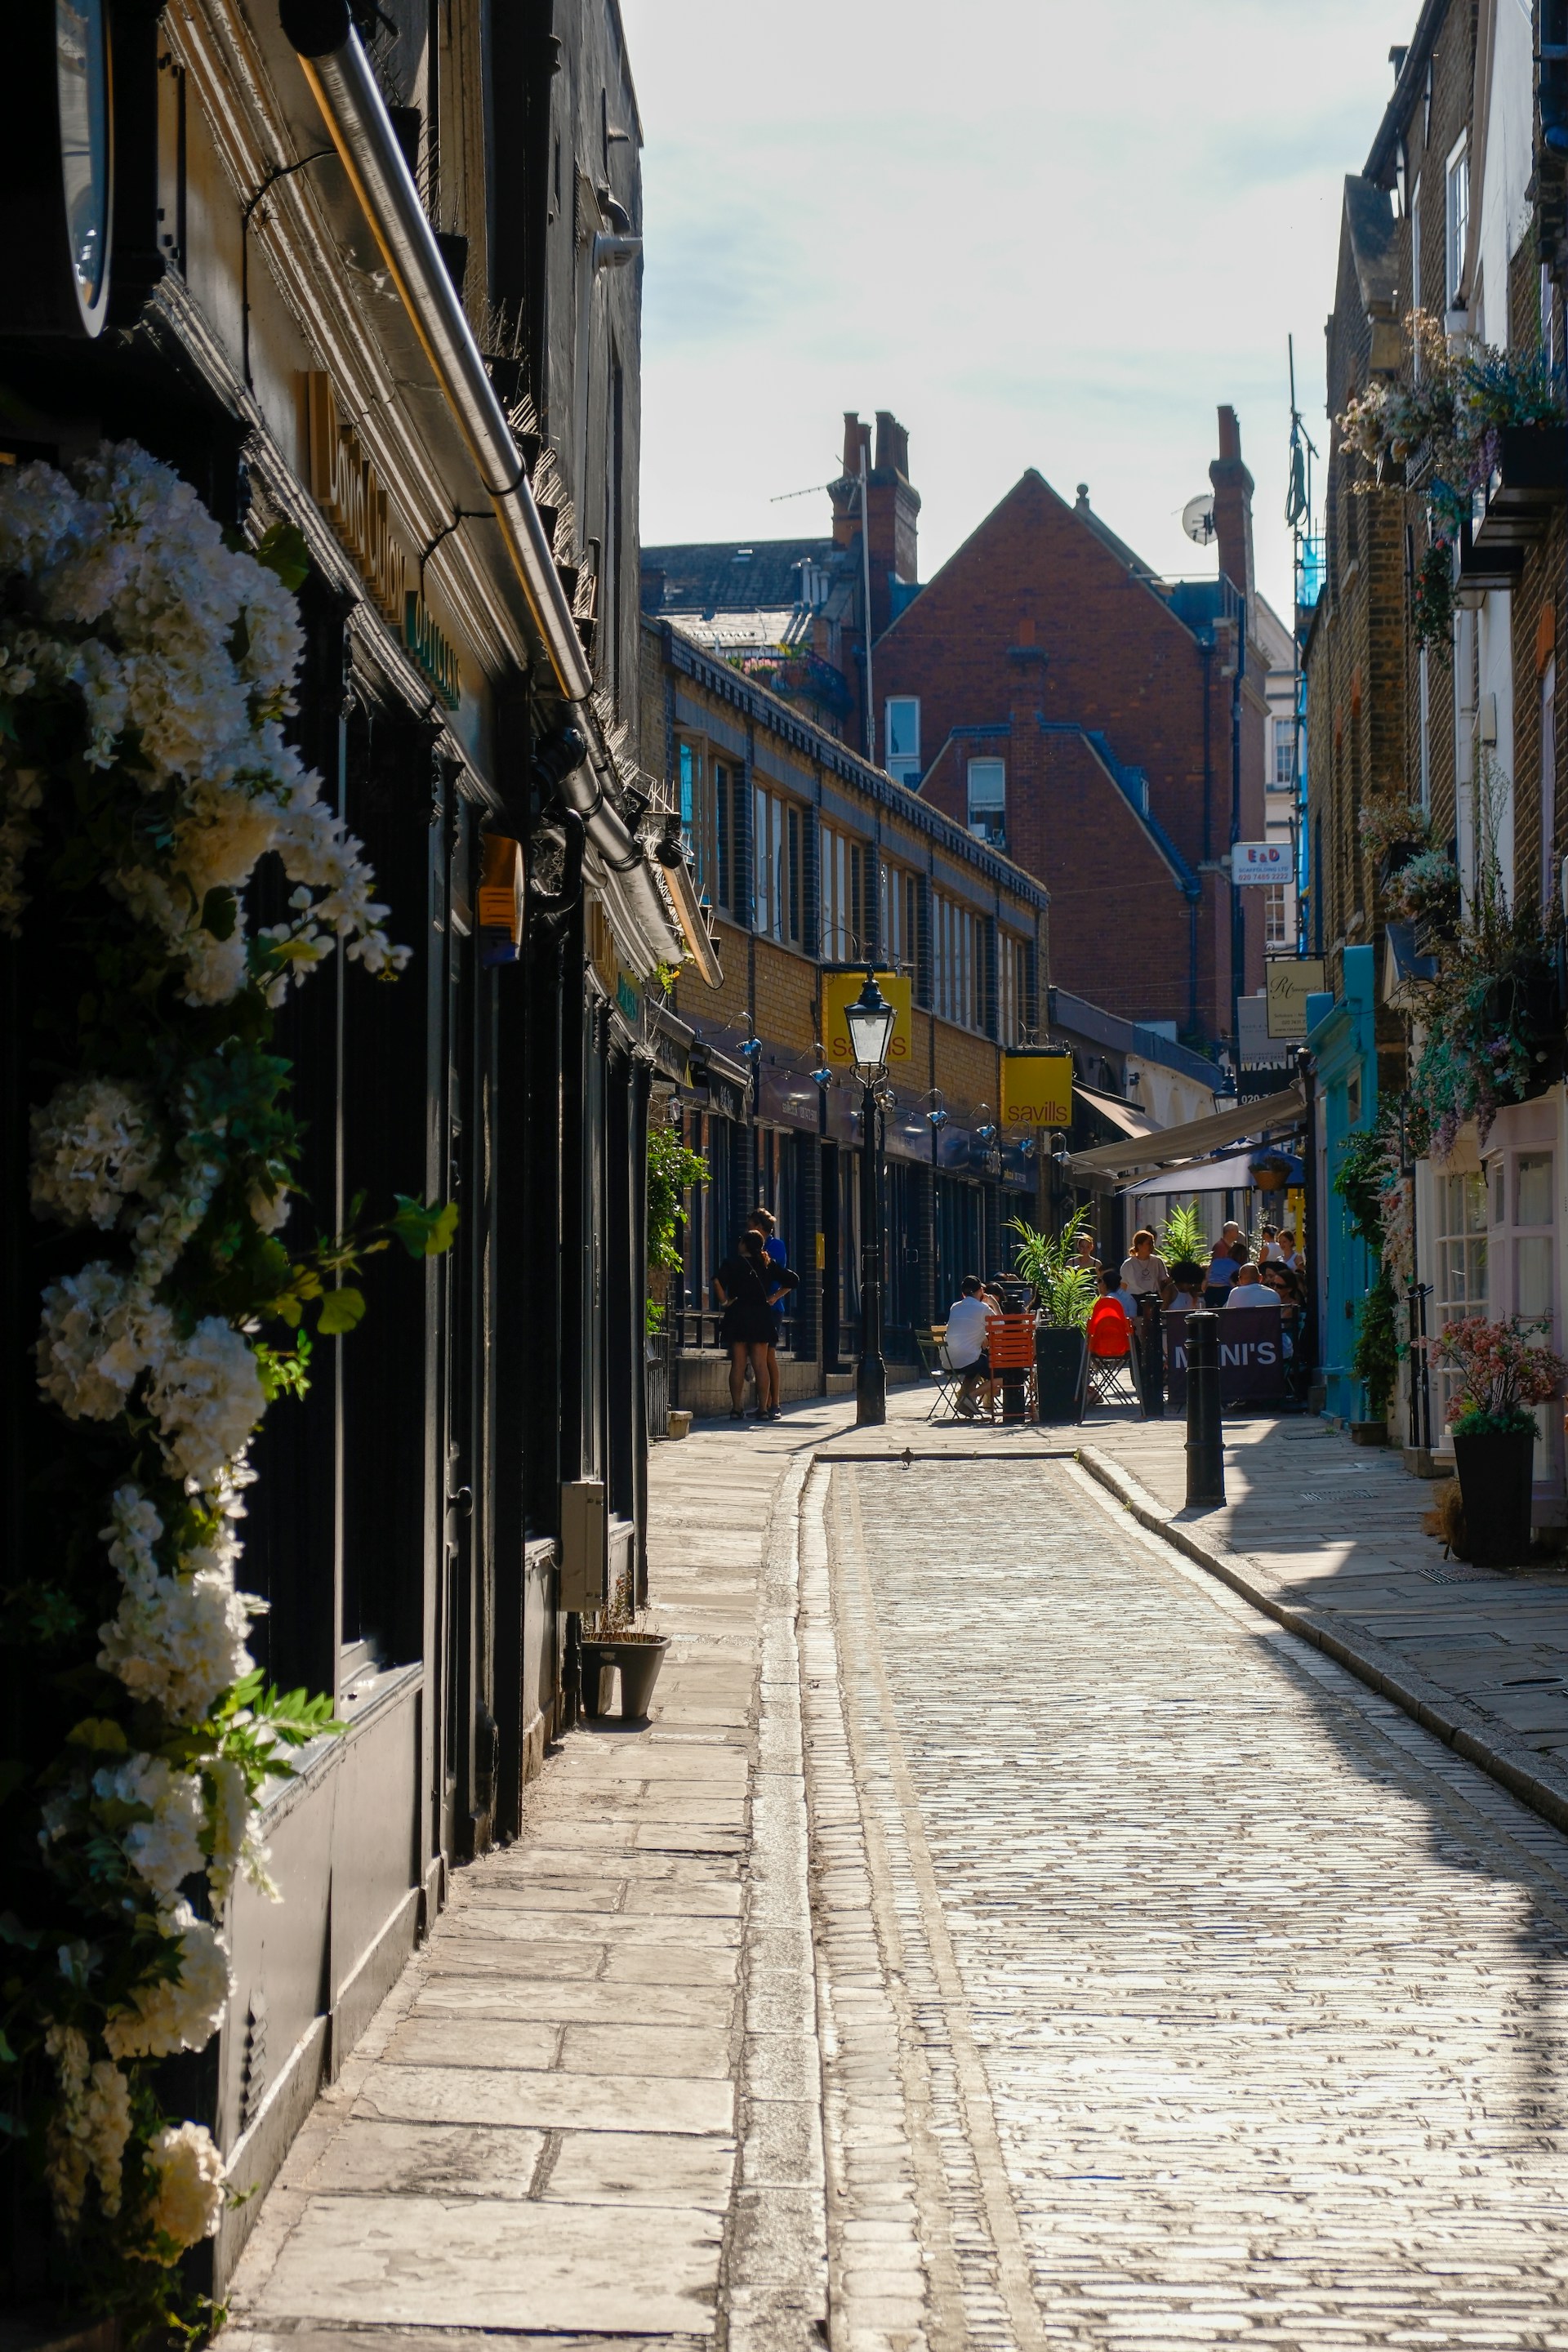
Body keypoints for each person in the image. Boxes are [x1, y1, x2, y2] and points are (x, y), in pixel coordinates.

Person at [713, 1232, 778, 1419]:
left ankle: (736, 1408)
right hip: (761, 1317)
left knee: (738, 1364)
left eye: (740, 1240)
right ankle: (763, 1409)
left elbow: (717, 1281)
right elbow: (793, 1280)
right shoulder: (766, 1263)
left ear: (744, 1244)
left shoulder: (732, 1263)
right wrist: (774, 1297)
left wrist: (725, 1301)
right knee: (760, 1365)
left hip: (738, 1315)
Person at [747, 1208, 791, 1417]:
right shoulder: (751, 1246)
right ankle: (764, 1405)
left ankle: (774, 1404)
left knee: (768, 1356)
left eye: (751, 1225)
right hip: (754, 1308)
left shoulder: (775, 1246)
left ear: (758, 1227)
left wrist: (775, 1296)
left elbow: (786, 1277)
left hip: (772, 1309)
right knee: (760, 1357)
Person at [944, 1276, 994, 1419]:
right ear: (980, 1292)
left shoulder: (954, 1307)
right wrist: (994, 1304)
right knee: (1006, 1375)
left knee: (978, 1362)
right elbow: (1000, 1327)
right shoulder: (982, 1308)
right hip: (968, 1361)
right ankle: (969, 1398)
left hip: (949, 1363)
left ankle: (965, 1400)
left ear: (963, 1294)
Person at [1120, 1227, 1169, 1300]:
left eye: (1153, 1243)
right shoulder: (1128, 1265)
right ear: (1139, 1246)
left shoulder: (1157, 1261)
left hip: (1154, 1299)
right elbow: (1123, 1287)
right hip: (1135, 1299)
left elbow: (1164, 1282)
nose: (1152, 1246)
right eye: (1149, 1244)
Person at [1205, 1221, 1244, 1307]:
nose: (1238, 1234)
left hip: (1211, 1290)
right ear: (1229, 1232)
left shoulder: (1227, 1247)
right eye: (1236, 1231)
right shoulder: (1220, 1247)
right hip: (1223, 1288)